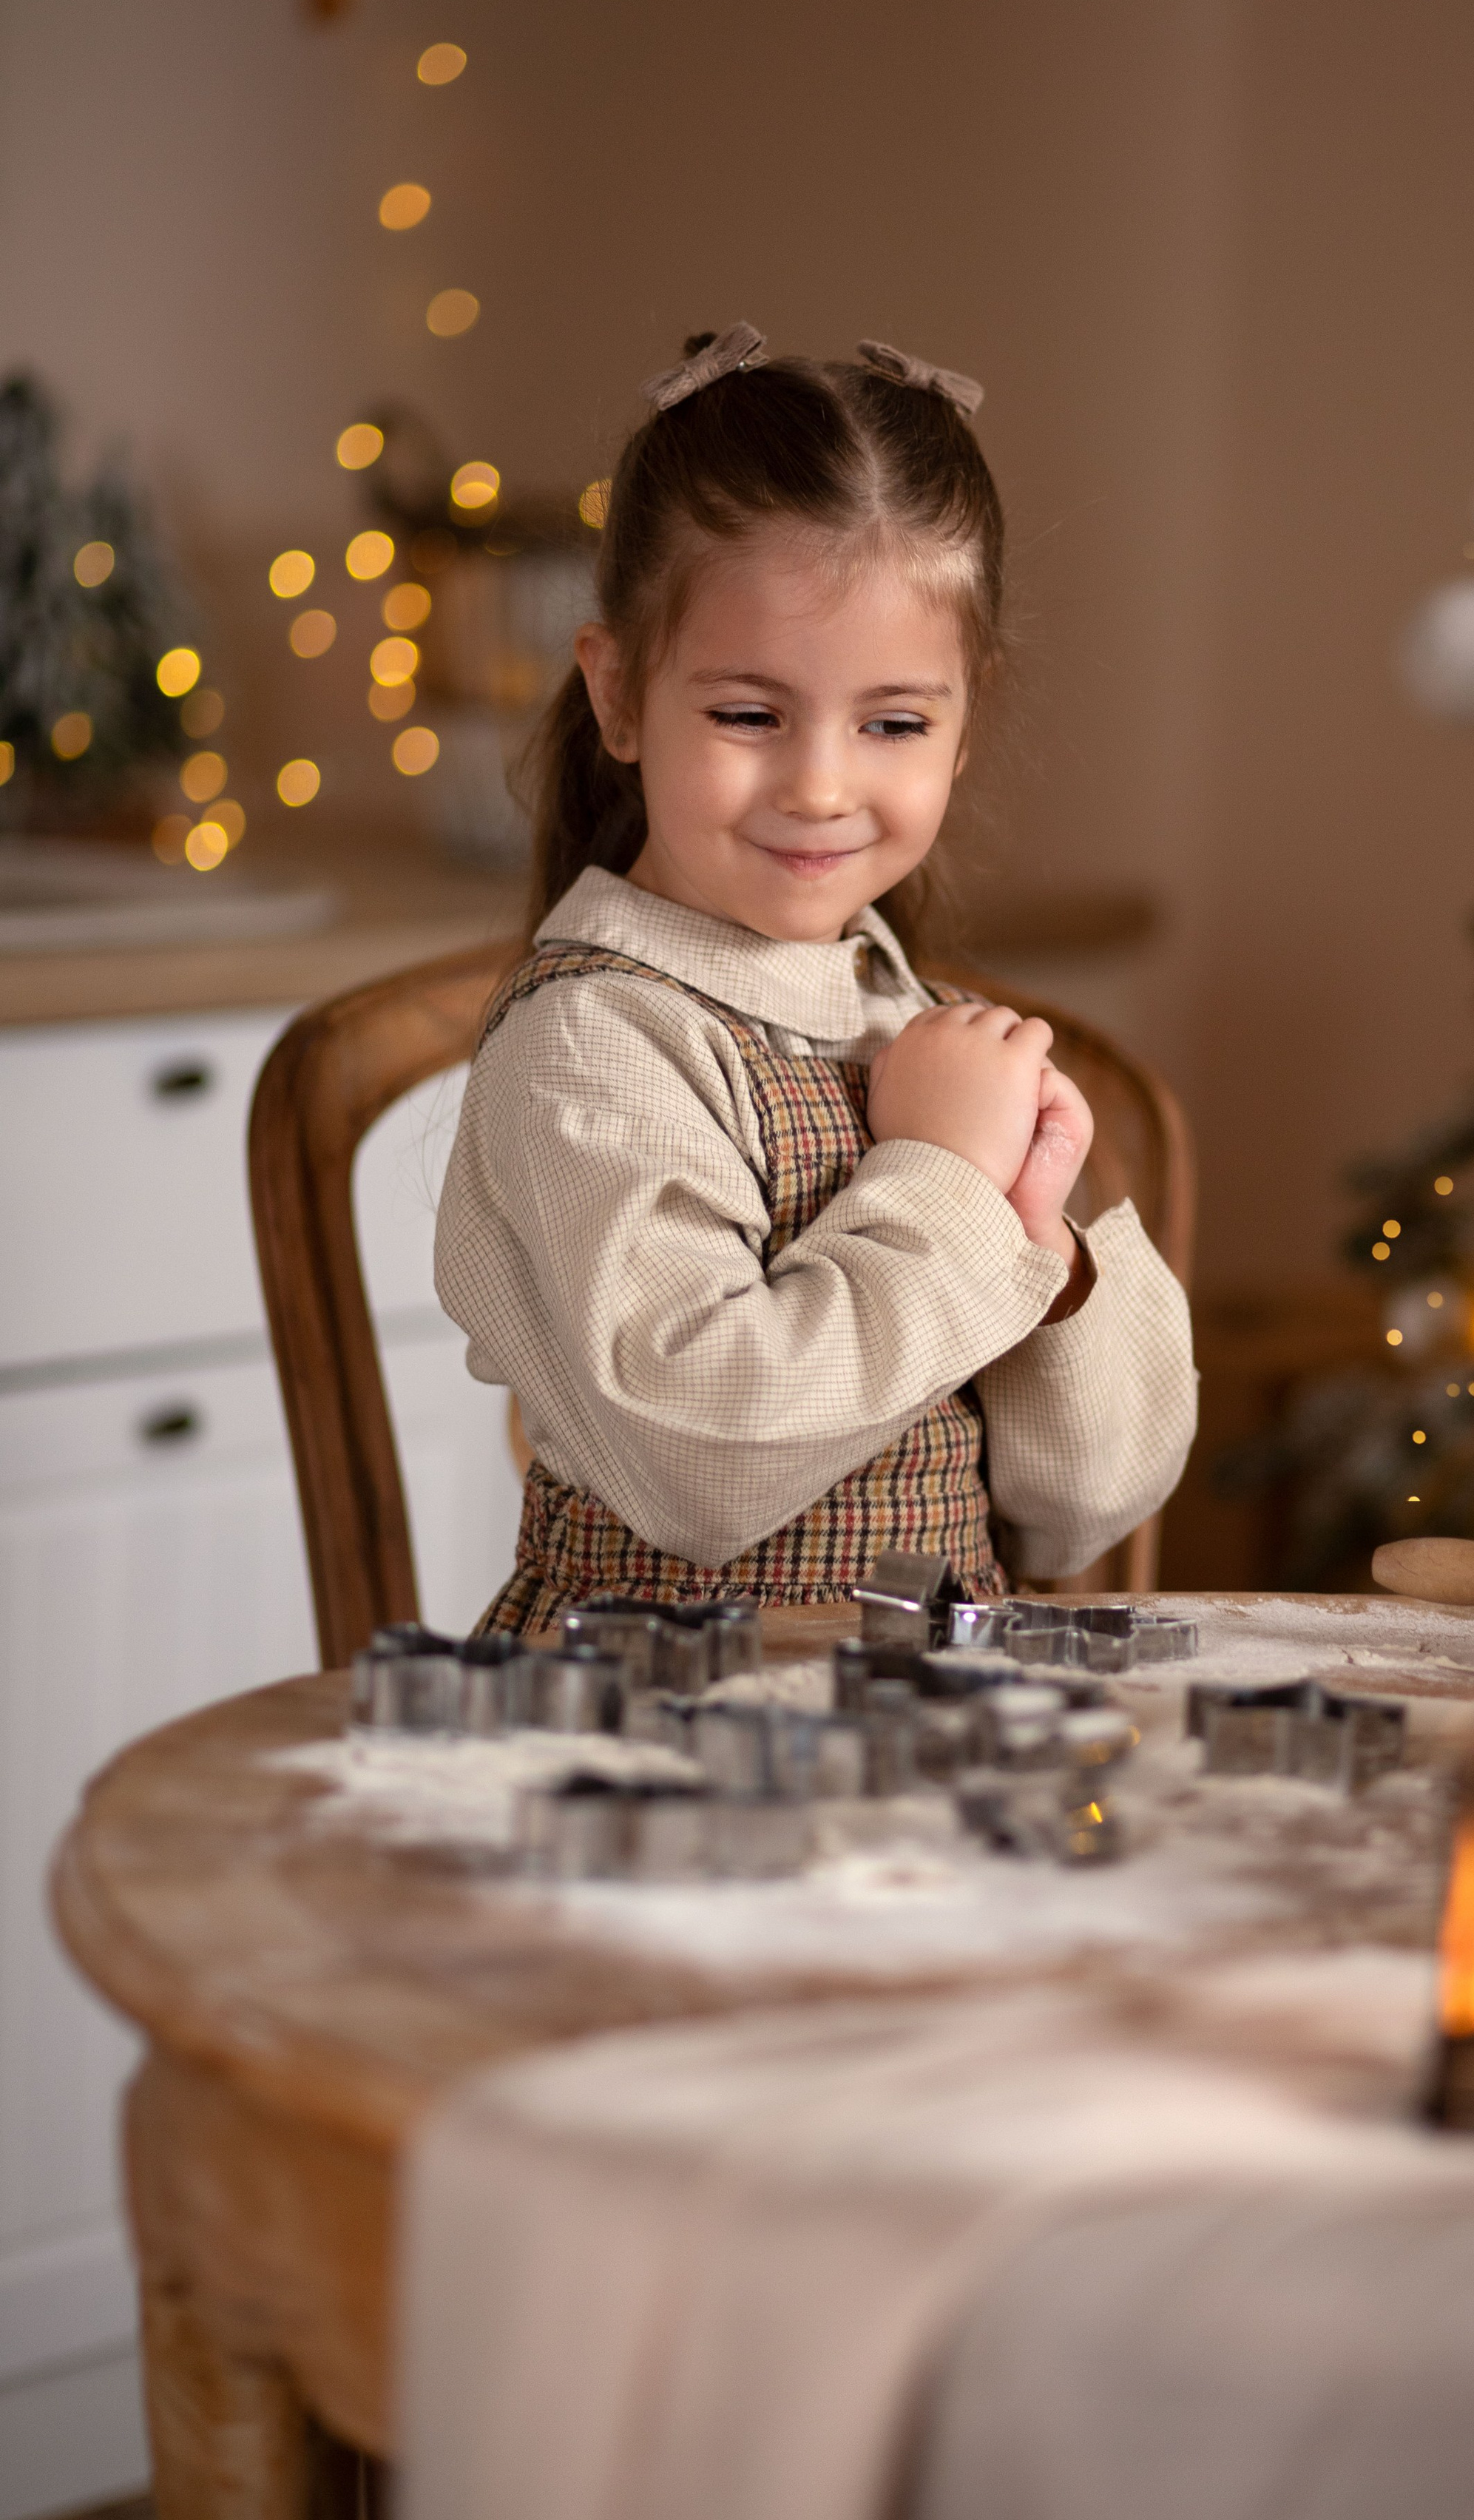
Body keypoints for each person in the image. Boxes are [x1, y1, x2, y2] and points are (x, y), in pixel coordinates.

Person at [437, 322, 1195, 1628]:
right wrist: (949, 1187)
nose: (823, 785)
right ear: (618, 696)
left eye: (894, 722)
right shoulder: (596, 1045)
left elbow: (1086, 1507)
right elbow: (700, 1463)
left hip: (921, 1730)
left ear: (964, 726)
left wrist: (1048, 1260)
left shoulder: (910, 1022)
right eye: (749, 714)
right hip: (653, 1747)